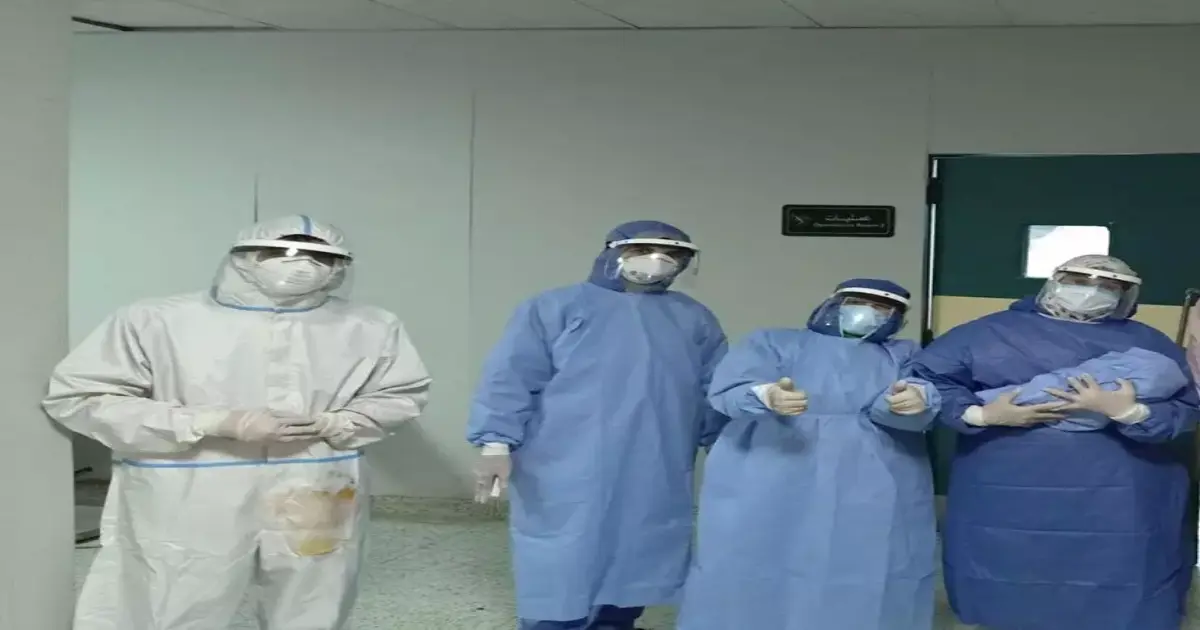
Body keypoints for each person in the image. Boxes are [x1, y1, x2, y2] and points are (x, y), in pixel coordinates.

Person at [44, 215, 432, 630]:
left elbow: (401, 393)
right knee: (172, 599)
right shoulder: (156, 320)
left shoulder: (370, 326)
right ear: (243, 257)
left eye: (320, 257)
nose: (302, 264)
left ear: (339, 267)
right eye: (282, 252)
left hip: (315, 482)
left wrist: (344, 422)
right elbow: (80, 397)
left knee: (314, 599)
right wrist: (213, 421)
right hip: (191, 484)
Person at [909, 254, 1199, 630]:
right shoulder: (986, 333)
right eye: (1080, 281)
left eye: (1108, 286)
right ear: (1055, 281)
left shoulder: (1148, 343)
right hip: (1008, 486)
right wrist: (980, 414)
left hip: (1119, 494)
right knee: (1009, 575)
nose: (1092, 291)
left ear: (1126, 296)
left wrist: (1131, 412)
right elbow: (928, 382)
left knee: (1119, 575)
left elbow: (1186, 407)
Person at [467, 220, 727, 630]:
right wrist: (496, 443)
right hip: (563, 460)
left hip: (654, 461)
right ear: (612, 251)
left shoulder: (694, 318)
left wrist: (726, 446)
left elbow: (716, 389)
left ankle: (616, 621)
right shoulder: (554, 308)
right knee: (564, 551)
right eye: (644, 250)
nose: (659, 261)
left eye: (673, 255)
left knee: (638, 547)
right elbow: (510, 377)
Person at [677, 279, 941, 630]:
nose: (869, 312)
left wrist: (910, 402)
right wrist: (766, 395)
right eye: (858, 302)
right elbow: (730, 390)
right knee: (754, 557)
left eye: (883, 308)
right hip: (771, 467)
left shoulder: (904, 355)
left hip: (871, 477)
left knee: (865, 562)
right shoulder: (773, 342)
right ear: (832, 304)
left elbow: (917, 394)